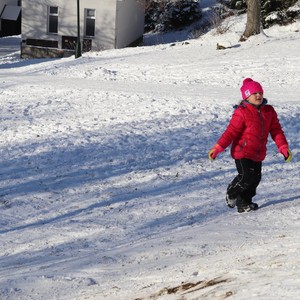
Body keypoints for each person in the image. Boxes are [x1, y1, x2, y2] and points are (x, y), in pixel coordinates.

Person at [208, 78, 292, 213]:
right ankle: (232, 192)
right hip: (242, 152)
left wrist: (283, 147)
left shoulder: (268, 111)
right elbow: (230, 132)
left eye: (260, 92)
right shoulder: (242, 112)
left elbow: (276, 131)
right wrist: (218, 148)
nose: (258, 95)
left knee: (255, 179)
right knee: (246, 176)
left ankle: (244, 203)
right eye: (254, 93)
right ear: (247, 96)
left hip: (258, 152)